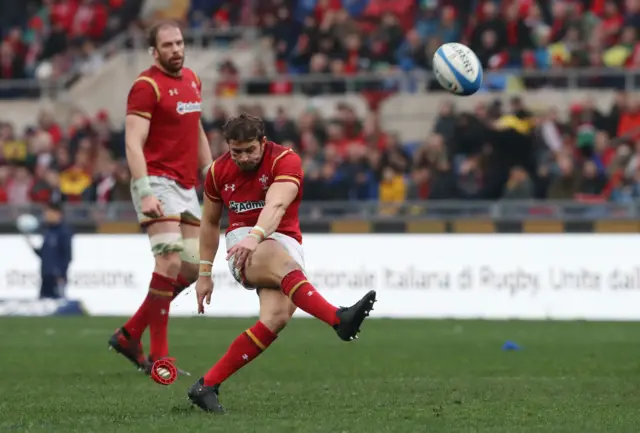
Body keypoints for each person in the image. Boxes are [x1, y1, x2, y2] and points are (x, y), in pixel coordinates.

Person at [187, 114, 377, 413]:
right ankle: (339, 319)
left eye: (250, 149)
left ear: (263, 142)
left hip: (280, 239)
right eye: (236, 151)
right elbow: (210, 223)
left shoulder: (284, 160)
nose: (243, 157)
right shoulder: (218, 171)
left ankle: (206, 385)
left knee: (275, 318)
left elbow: (277, 204)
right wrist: (205, 273)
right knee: (282, 265)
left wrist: (257, 235)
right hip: (243, 242)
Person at [107, 20, 213, 379]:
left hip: (185, 186)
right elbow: (133, 142)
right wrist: (144, 189)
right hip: (157, 181)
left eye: (179, 43)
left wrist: (211, 172)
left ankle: (130, 334)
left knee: (191, 267)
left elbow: (196, 127)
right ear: (154, 51)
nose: (176, 50)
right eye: (167, 45)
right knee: (168, 262)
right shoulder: (145, 86)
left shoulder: (193, 80)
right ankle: (160, 357)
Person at [27, 201, 73, 299]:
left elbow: (67, 255)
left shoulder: (63, 232)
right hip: (46, 274)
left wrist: (61, 273)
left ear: (58, 214)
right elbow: (44, 254)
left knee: (57, 303)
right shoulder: (48, 231)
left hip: (56, 276)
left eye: (48, 212)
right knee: (44, 303)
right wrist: (32, 246)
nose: (46, 215)